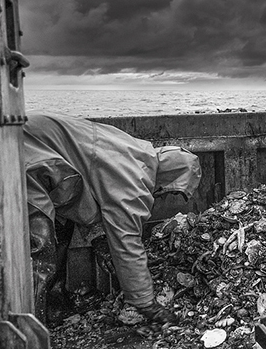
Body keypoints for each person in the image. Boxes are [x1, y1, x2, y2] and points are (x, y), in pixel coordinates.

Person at [23, 112, 201, 324]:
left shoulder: (132, 149)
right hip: (24, 159)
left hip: (27, 140)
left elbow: (92, 184)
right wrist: (145, 303)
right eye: (171, 192)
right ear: (170, 178)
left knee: (60, 230)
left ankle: (53, 305)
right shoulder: (134, 179)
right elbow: (127, 242)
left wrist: (99, 237)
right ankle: (28, 331)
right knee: (39, 251)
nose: (163, 196)